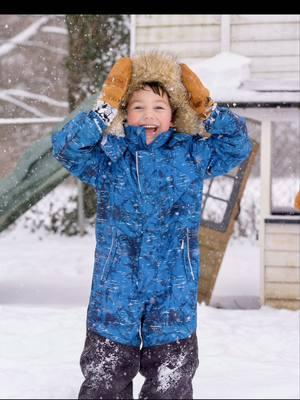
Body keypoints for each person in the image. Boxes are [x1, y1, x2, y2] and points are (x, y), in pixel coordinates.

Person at [52, 51, 253, 399]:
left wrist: (208, 109)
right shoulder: (109, 158)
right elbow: (66, 148)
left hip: (174, 283)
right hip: (116, 284)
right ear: (124, 115)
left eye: (159, 107)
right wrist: (103, 109)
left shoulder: (191, 154)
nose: (149, 115)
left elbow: (238, 146)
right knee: (105, 376)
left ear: (174, 116)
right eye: (137, 107)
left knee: (171, 379)